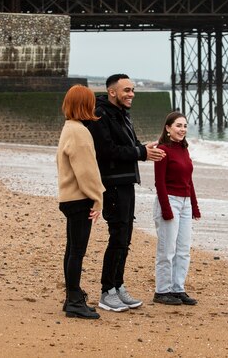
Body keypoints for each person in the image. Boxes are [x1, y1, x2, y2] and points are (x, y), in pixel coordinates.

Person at [87, 73, 166, 312]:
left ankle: (118, 286)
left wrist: (145, 148)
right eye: (127, 90)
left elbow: (130, 145)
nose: (131, 94)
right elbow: (107, 151)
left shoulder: (123, 114)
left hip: (126, 183)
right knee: (118, 236)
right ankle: (106, 291)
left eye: (132, 90)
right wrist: (140, 152)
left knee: (125, 238)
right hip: (111, 183)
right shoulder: (100, 115)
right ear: (112, 92)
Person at [56, 84, 105, 319]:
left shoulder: (68, 127)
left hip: (68, 198)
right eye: (91, 101)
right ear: (85, 105)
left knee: (71, 249)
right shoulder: (80, 132)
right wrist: (98, 199)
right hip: (79, 198)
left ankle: (71, 298)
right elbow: (87, 171)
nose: (94, 105)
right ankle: (74, 300)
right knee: (77, 251)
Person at [152, 112, 201, 306]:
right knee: (167, 249)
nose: (182, 129)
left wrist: (195, 207)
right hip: (169, 200)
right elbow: (159, 183)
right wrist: (166, 209)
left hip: (185, 202)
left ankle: (177, 288)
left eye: (185, 126)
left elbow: (189, 181)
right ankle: (162, 291)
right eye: (178, 126)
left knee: (183, 249)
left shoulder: (184, 150)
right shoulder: (162, 150)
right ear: (168, 128)